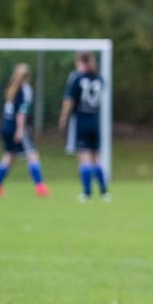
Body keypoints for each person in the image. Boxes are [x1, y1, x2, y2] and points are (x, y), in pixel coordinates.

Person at [0, 63, 51, 197]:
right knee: (32, 155)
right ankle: (40, 187)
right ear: (28, 76)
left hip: (6, 125)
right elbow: (21, 112)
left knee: (9, 156)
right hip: (17, 126)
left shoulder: (12, 88)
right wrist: (20, 129)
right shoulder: (25, 89)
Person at [58, 51, 110, 202]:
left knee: (84, 158)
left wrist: (63, 118)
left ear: (79, 61)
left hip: (80, 120)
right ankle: (104, 192)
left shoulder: (76, 77)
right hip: (95, 120)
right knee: (96, 159)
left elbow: (69, 100)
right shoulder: (99, 78)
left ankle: (87, 193)